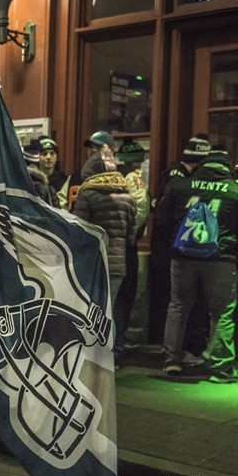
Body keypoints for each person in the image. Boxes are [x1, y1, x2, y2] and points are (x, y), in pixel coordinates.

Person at [155, 147, 238, 382]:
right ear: (227, 166)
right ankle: (220, 367)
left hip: (183, 256)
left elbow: (161, 219)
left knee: (178, 305)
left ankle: (172, 360)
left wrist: (172, 245)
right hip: (221, 258)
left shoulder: (181, 186)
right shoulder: (237, 190)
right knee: (221, 311)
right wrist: (234, 251)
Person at [146, 134, 211, 349]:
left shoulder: (174, 175)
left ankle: (172, 348)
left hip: (172, 246)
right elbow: (165, 216)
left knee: (176, 302)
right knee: (176, 301)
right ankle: (177, 347)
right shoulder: (178, 178)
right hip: (172, 247)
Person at [71, 152, 138, 360]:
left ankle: (91, 359)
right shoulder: (127, 197)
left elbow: (79, 231)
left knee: (91, 311)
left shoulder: (88, 194)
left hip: (93, 264)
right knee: (109, 312)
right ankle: (109, 357)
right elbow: (132, 236)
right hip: (118, 265)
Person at [113, 139, 151, 356]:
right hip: (127, 246)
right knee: (123, 297)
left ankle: (115, 345)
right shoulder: (134, 180)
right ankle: (118, 345)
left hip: (114, 244)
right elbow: (139, 213)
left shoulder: (119, 179)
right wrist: (132, 233)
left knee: (117, 297)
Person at [63, 130, 116, 210]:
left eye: (99, 147)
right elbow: (62, 203)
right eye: (90, 147)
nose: (93, 150)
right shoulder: (75, 176)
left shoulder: (120, 176)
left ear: (111, 150)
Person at [37, 137, 68, 204]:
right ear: (38, 157)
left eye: (52, 153)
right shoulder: (33, 180)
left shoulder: (63, 180)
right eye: (44, 154)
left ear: (57, 157)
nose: (48, 157)